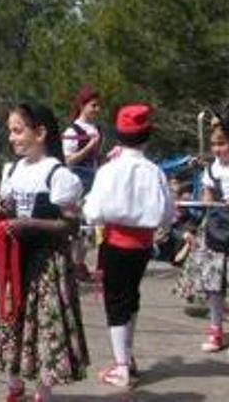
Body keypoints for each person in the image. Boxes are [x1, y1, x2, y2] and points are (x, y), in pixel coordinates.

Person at [0, 103, 88, 402]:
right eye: (11, 131)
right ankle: (14, 384)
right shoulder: (14, 170)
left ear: (41, 133)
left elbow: (70, 227)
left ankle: (43, 393)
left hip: (45, 264)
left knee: (43, 326)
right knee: (10, 320)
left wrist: (28, 224)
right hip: (12, 262)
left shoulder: (59, 175)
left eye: (17, 131)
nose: (12, 138)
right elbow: (8, 210)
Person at [84, 104, 173, 387]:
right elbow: (167, 213)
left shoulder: (110, 170)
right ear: (147, 136)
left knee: (116, 302)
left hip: (115, 242)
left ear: (118, 135)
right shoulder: (154, 171)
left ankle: (121, 366)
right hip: (143, 245)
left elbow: (93, 211)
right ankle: (127, 355)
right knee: (131, 296)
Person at [175, 111, 229, 353]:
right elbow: (205, 204)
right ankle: (216, 330)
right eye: (214, 144)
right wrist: (190, 229)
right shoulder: (211, 171)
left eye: (222, 143)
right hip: (216, 232)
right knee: (213, 285)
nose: (217, 149)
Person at [63, 86, 102, 281]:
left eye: (98, 105)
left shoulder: (96, 129)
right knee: (77, 226)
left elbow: (96, 159)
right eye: (93, 105)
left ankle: (79, 262)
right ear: (82, 106)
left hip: (94, 181)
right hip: (77, 182)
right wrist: (88, 147)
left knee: (90, 226)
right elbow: (68, 160)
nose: (97, 109)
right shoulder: (72, 130)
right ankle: (72, 263)